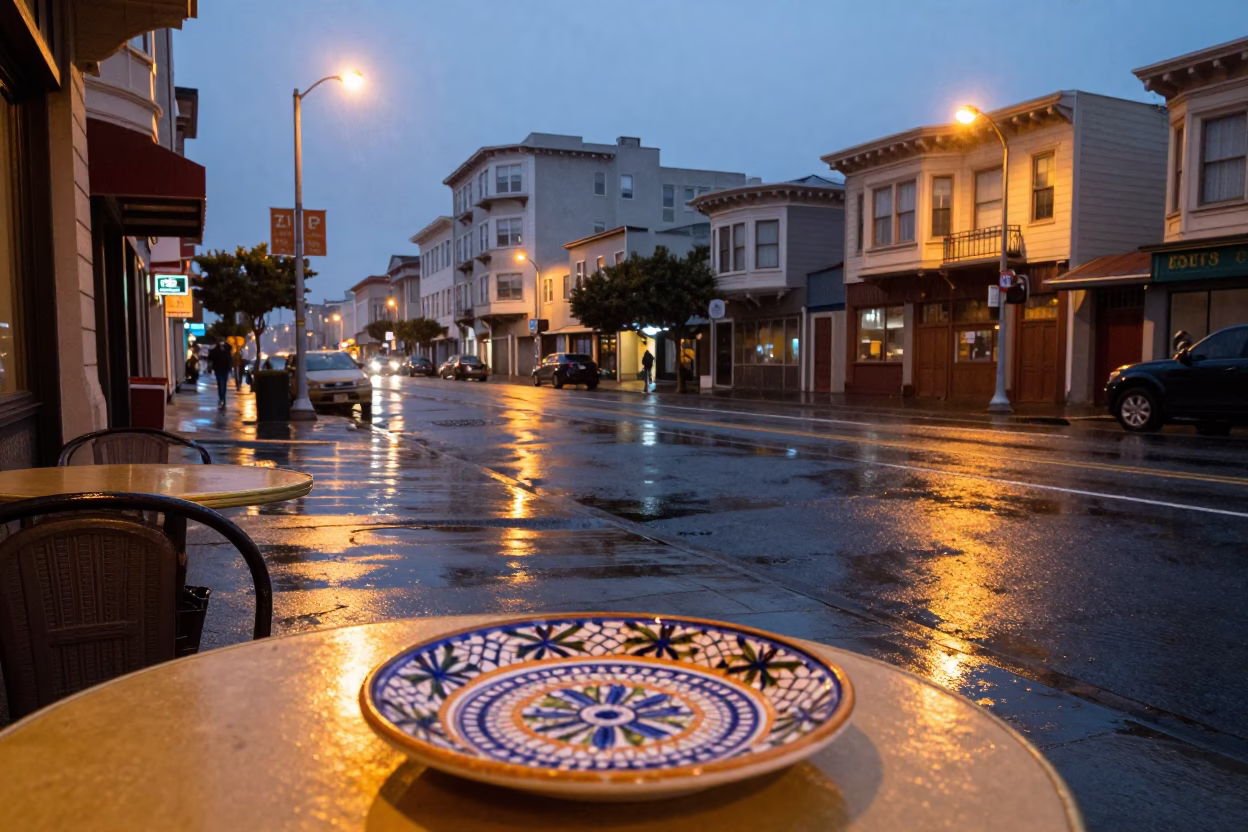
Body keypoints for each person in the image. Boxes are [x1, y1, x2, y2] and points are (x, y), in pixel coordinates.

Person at [208, 341, 233, 410]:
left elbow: (230, 348)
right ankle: (222, 398)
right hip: (219, 369)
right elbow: (210, 357)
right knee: (220, 384)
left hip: (224, 370)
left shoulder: (226, 349)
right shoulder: (216, 350)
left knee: (223, 384)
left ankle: (222, 398)